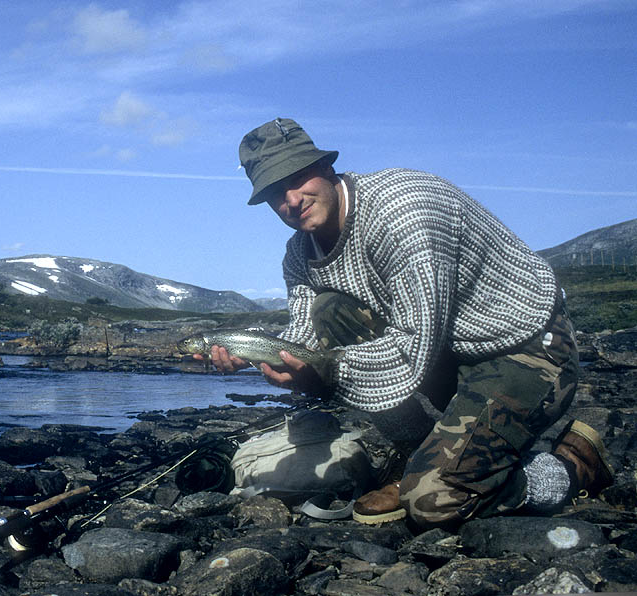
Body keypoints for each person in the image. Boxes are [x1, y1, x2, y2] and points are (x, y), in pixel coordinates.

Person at [199, 117, 614, 528]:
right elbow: (307, 336)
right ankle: (415, 451)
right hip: (447, 352)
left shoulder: (402, 212)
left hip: (525, 349)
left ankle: (568, 466)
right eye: (274, 193)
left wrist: (325, 369)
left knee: (433, 503)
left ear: (325, 167)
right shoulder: (298, 254)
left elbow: (412, 343)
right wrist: (276, 362)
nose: (291, 200)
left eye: (297, 178)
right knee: (329, 310)